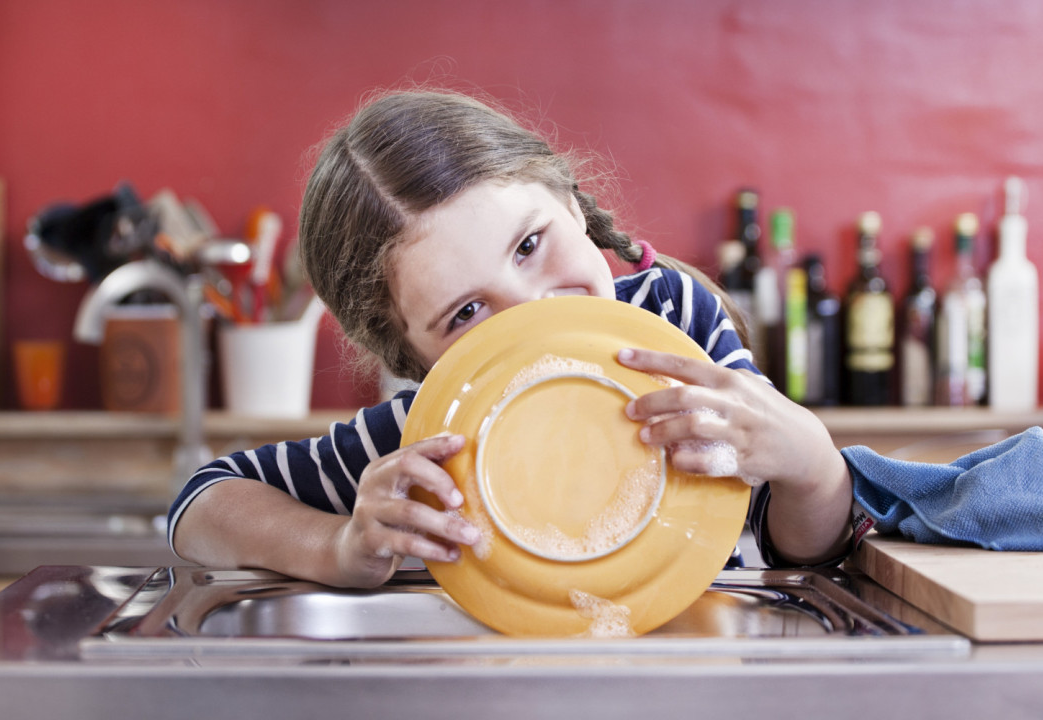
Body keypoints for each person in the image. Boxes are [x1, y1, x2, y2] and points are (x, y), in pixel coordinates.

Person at [168, 90, 857, 588]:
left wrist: (814, 465)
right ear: (419, 359)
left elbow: (801, 546)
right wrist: (337, 544)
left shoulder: (675, 323)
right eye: (466, 313)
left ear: (568, 203)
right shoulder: (433, 431)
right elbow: (201, 501)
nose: (532, 309)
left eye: (529, 244)